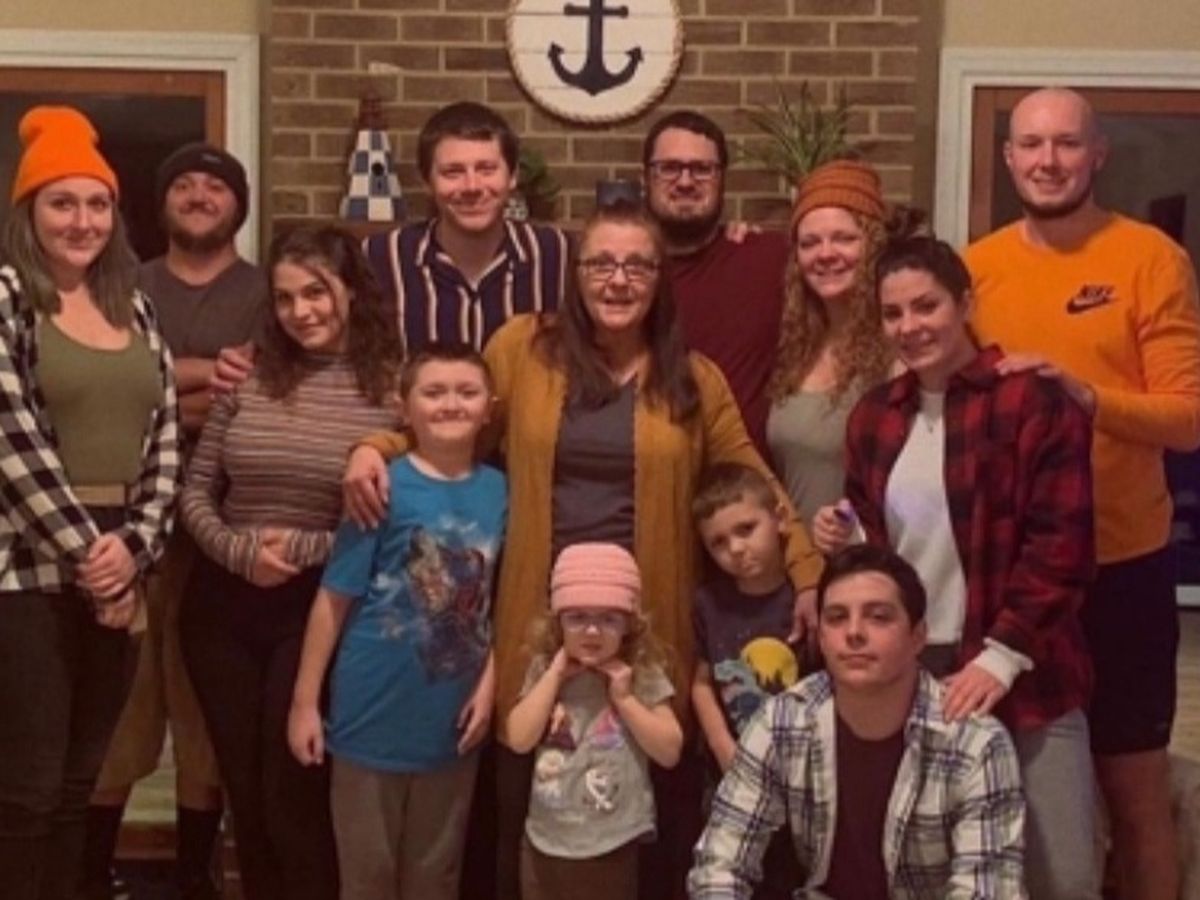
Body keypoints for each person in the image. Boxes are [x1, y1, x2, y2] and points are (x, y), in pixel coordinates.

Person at [344, 200, 824, 900]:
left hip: (645, 635)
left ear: (659, 279)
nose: (617, 279)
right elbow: (455, 423)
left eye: (637, 265)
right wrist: (376, 447)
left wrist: (807, 569)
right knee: (526, 815)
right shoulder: (524, 350)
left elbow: (752, 480)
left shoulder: (694, 379)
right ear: (576, 273)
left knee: (643, 827)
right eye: (601, 263)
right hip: (538, 627)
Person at [963, 86, 1200, 900]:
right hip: (1018, 577)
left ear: (1097, 154)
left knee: (1134, 793)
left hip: (1123, 567)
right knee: (1024, 791)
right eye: (1031, 144)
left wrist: (1086, 396)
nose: (1048, 160)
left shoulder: (1149, 258)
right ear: (1008, 158)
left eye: (1066, 144)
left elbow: (1188, 419)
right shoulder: (978, 267)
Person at [813, 237, 1097, 897]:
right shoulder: (874, 416)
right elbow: (881, 547)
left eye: (926, 306)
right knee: (930, 872)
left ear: (965, 303)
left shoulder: (1031, 402)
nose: (909, 326)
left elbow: (1062, 546)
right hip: (912, 673)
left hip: (1024, 668)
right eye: (892, 313)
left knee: (1061, 877)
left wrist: (1001, 657)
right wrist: (847, 535)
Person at [178, 226, 401, 900]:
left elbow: (394, 523)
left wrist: (300, 550)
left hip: (318, 611)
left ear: (351, 291)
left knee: (292, 794)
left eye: (316, 292)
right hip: (220, 605)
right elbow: (196, 489)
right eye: (284, 298)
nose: (300, 311)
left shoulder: (391, 389)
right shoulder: (249, 376)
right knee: (244, 796)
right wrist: (239, 551)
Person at [0, 105, 181, 900]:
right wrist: (91, 556)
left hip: (121, 560)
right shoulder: (8, 297)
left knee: (83, 784)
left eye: (98, 203)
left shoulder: (130, 305)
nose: (82, 221)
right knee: (29, 791)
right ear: (29, 211)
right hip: (26, 569)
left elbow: (165, 435)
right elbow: (11, 437)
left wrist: (133, 549)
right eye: (62, 203)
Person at [84, 142, 266, 900]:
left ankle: (195, 875)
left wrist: (168, 389)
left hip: (225, 530)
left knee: (201, 709)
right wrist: (201, 376)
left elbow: (260, 397)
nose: (198, 196)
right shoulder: (119, 285)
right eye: (182, 184)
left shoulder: (266, 292)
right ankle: (90, 872)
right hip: (128, 530)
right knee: (123, 704)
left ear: (237, 204)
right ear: (160, 204)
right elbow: (109, 390)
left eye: (214, 186)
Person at [286, 342, 506, 900]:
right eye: (433, 392)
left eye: (466, 392)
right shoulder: (381, 486)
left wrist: (491, 682)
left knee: (436, 877)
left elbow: (502, 601)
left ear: (490, 408)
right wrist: (305, 702)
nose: (450, 404)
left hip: (452, 725)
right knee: (368, 879)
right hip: (369, 716)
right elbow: (333, 599)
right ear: (403, 408)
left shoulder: (501, 491)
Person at [688, 544, 1026, 899]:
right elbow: (719, 864)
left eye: (878, 617)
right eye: (836, 618)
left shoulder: (976, 742)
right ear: (821, 638)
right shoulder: (782, 720)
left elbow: (988, 891)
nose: (853, 632)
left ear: (918, 637)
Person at [507, 543, 683, 900]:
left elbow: (669, 751)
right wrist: (554, 675)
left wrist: (626, 700)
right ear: (558, 621)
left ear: (629, 624)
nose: (592, 631)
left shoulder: (640, 669)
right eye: (577, 617)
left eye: (608, 619)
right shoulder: (545, 668)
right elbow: (519, 739)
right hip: (546, 840)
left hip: (613, 843)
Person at [642, 111, 787, 453]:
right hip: (648, 470)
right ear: (645, 178)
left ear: (722, 179)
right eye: (669, 168)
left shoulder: (768, 259)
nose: (685, 181)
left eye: (702, 169)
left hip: (744, 477)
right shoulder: (622, 276)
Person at [690, 463, 803, 900]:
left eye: (746, 529)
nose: (735, 549)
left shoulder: (805, 603)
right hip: (730, 775)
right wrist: (723, 745)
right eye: (718, 542)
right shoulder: (708, 603)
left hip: (799, 780)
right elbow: (701, 681)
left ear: (780, 518)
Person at [765, 159, 899, 526]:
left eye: (844, 238)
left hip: (865, 556)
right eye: (810, 242)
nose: (825, 253)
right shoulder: (796, 346)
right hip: (799, 558)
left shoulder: (899, 347)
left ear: (873, 245)